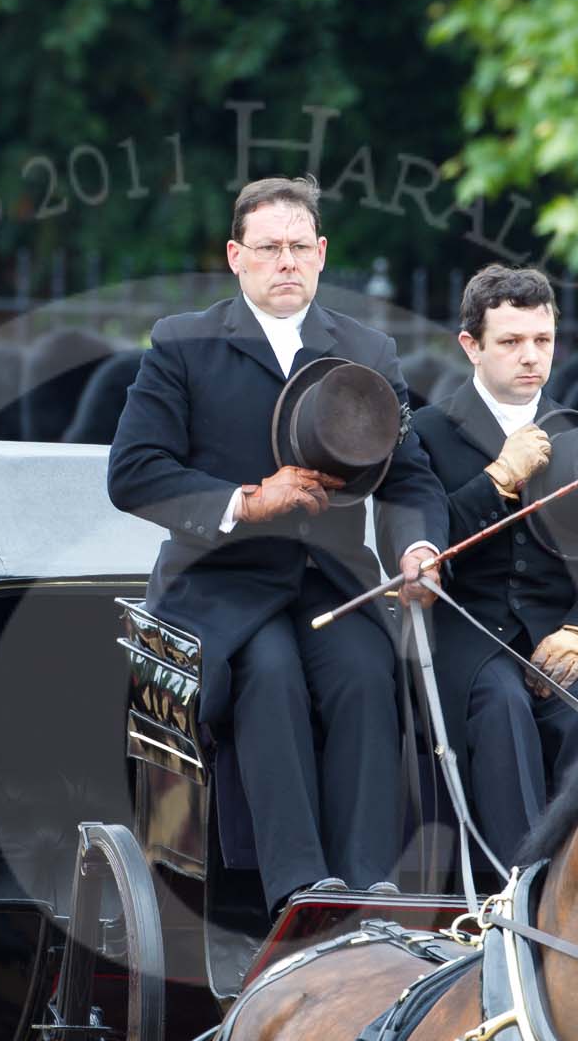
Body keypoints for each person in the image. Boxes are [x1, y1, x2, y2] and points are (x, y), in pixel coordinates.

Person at [108, 174, 449, 915]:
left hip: (330, 580)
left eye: (299, 247)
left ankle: (369, 885)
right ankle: (297, 888)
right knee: (270, 672)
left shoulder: (367, 351)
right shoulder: (181, 343)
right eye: (268, 249)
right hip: (218, 584)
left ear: (322, 253)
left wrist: (415, 551)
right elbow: (133, 474)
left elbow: (409, 480)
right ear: (236, 256)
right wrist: (246, 500)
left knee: (365, 670)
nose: (285, 261)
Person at [407, 264, 578, 872]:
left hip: (557, 637)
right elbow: (423, 541)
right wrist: (499, 478)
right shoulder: (428, 433)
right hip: (467, 641)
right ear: (472, 345)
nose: (530, 357)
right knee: (502, 712)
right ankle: (515, 886)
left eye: (541, 341)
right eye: (511, 342)